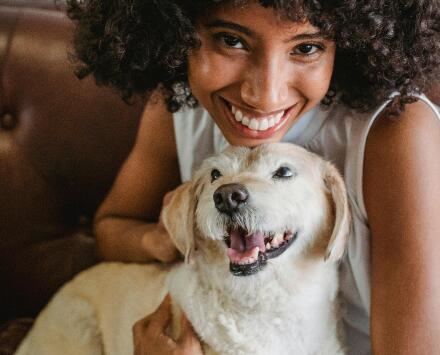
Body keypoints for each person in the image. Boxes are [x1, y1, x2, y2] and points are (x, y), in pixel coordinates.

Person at [66, 0, 440, 354]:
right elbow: (112, 228)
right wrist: (162, 239)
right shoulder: (179, 106)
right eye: (231, 41)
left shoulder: (396, 133)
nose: (264, 95)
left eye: (306, 48)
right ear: (177, 31)